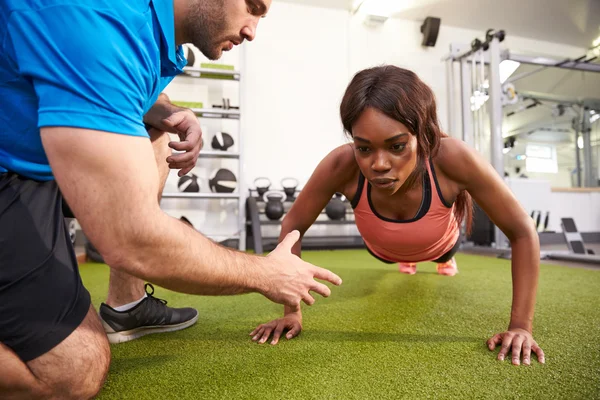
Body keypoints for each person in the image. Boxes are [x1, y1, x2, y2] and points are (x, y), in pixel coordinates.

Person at [0, 0, 342, 398]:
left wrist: (166, 109)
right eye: (252, 7)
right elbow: (131, 239)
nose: (252, 30)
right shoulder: (98, 18)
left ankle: (126, 307)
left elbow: (108, 85)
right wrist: (265, 274)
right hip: (10, 174)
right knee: (70, 373)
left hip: (36, 164)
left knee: (158, 141)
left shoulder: (146, 32)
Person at [250, 65, 546, 368]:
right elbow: (293, 226)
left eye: (397, 146)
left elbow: (522, 231)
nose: (378, 164)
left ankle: (443, 259)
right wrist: (291, 313)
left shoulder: (453, 158)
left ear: (423, 134)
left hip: (440, 244)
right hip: (382, 250)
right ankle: (407, 258)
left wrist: (521, 326)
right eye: (364, 147)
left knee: (444, 253)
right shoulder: (342, 163)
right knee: (393, 258)